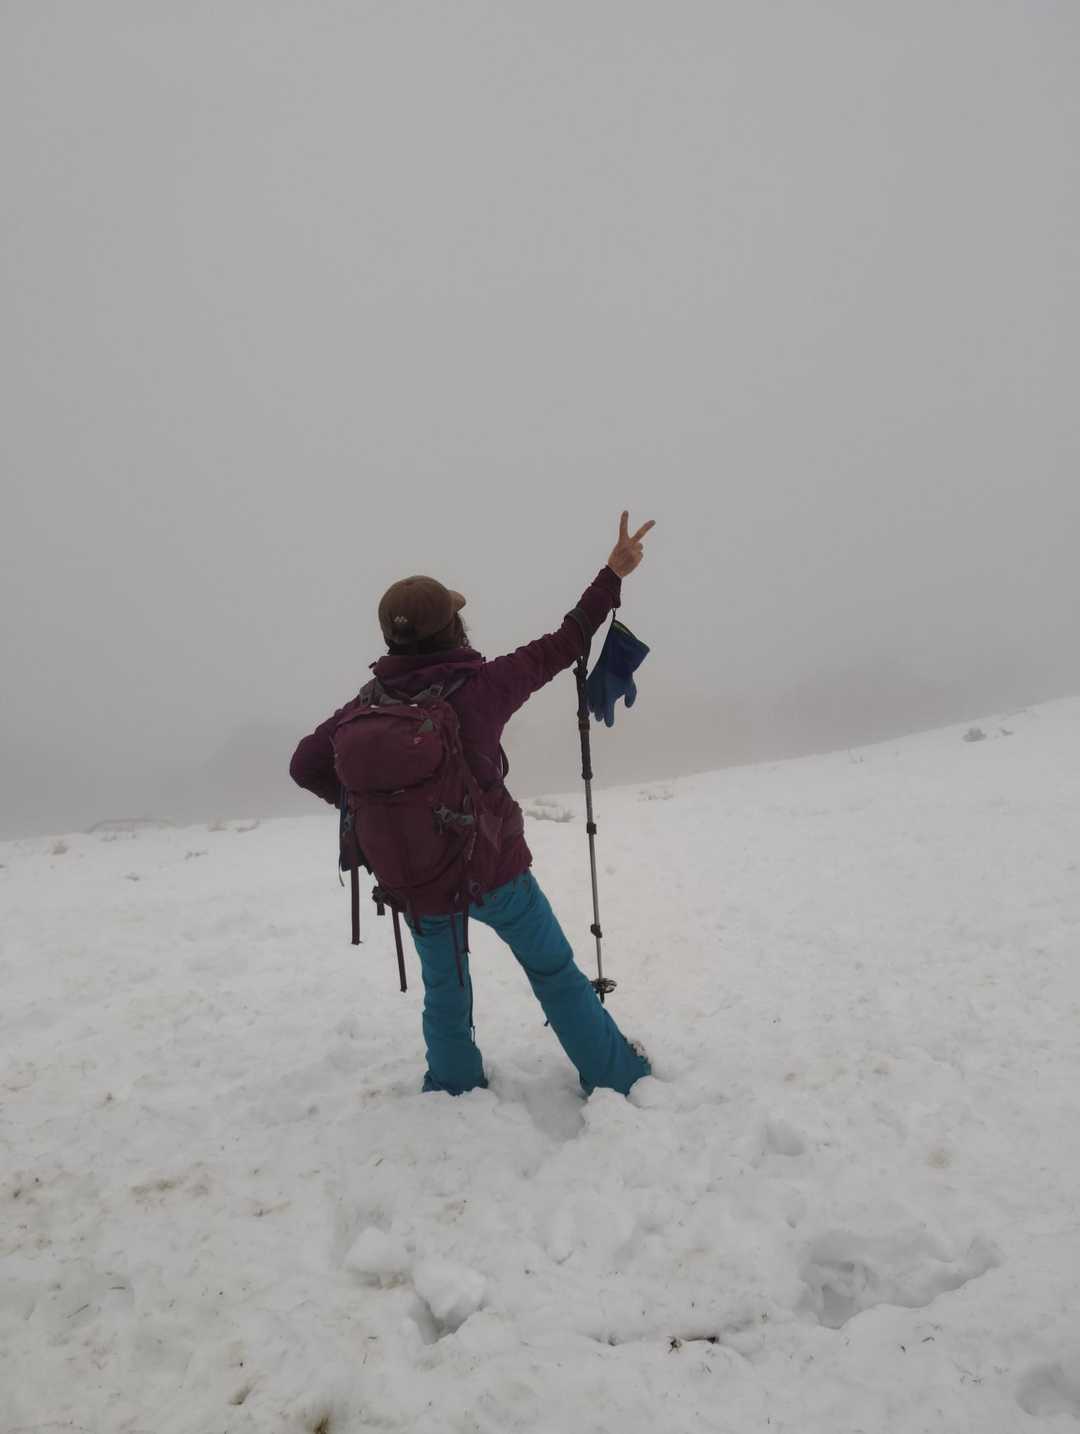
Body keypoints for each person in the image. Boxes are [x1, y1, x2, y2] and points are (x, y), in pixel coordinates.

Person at [289, 511, 655, 1097]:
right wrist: (613, 574)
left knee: (445, 992)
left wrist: (378, 806)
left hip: (419, 880)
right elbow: (566, 641)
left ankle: (454, 1086)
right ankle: (615, 1074)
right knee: (553, 972)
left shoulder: (366, 704)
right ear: (452, 629)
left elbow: (305, 763)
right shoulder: (483, 686)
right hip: (495, 872)